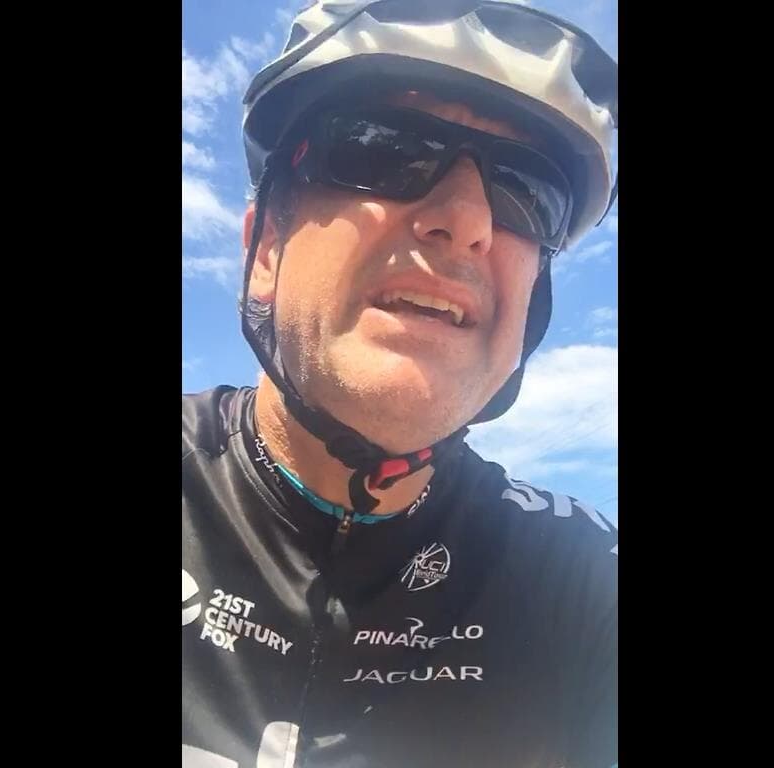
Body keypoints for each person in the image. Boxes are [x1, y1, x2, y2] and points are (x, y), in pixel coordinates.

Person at [182, 2, 618, 766]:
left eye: (526, 189)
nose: (466, 218)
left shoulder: (584, 579)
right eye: (384, 149)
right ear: (265, 248)